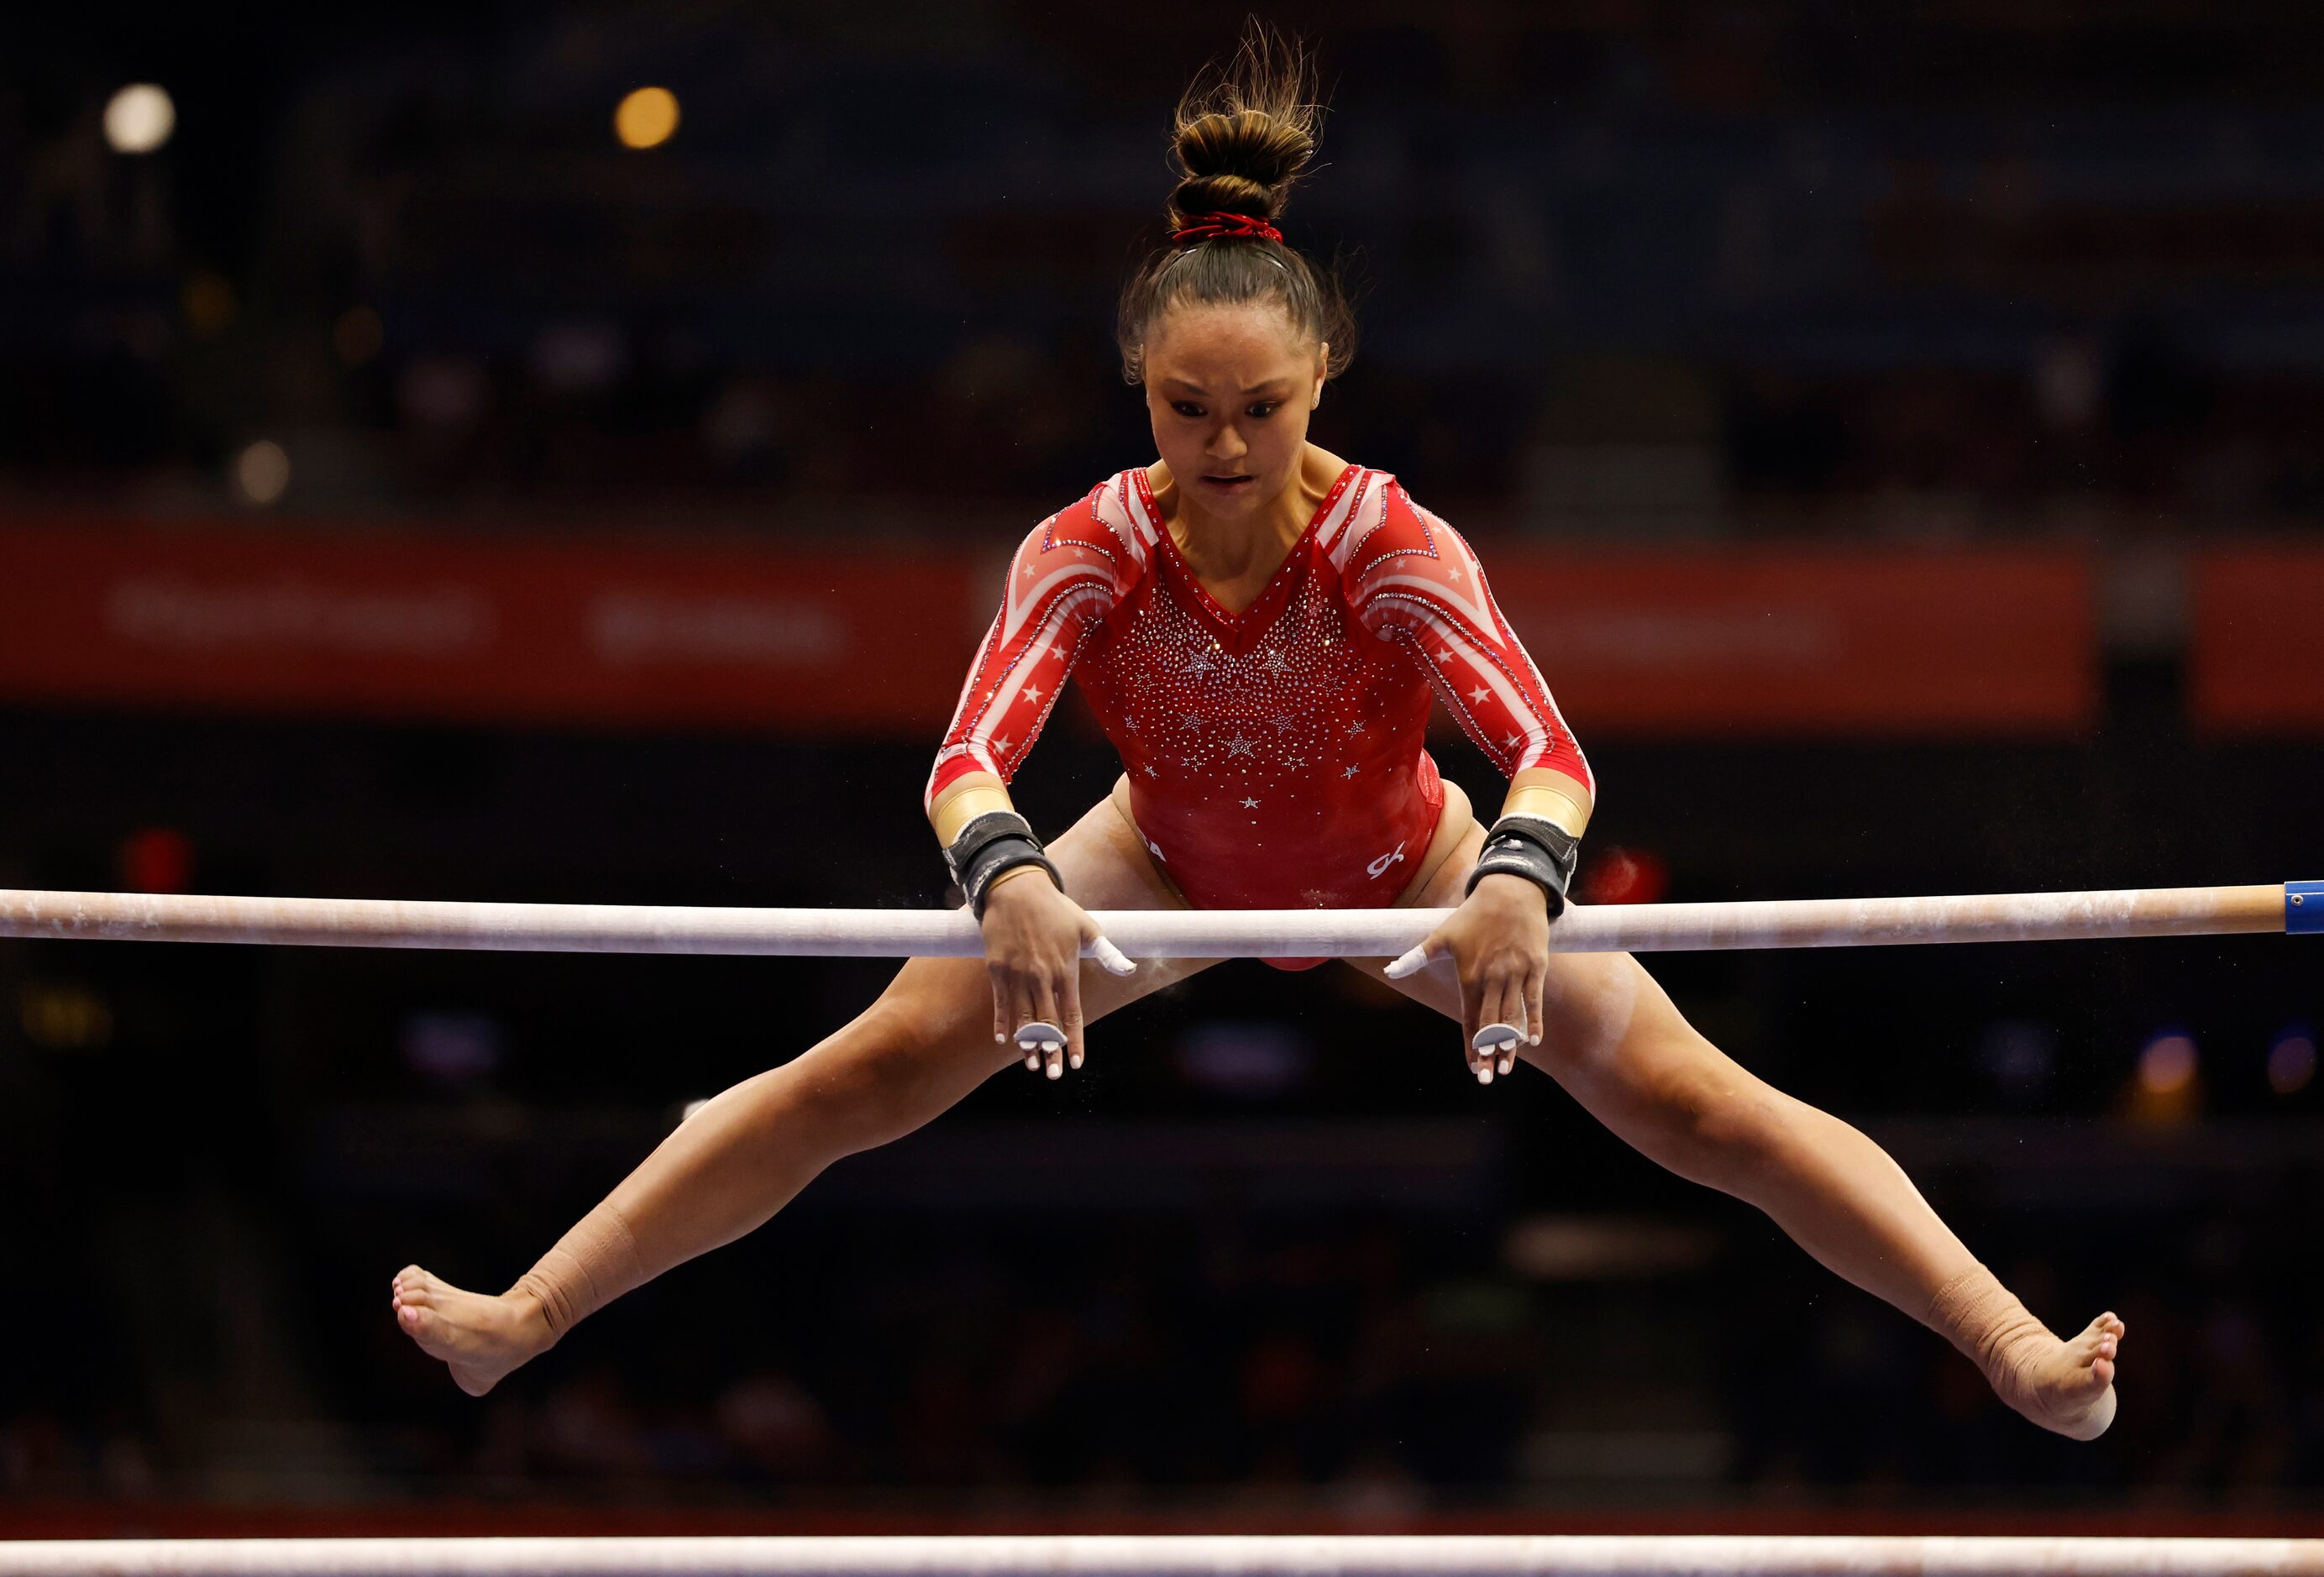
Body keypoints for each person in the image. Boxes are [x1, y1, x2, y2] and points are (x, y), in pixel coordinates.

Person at [392, 29, 2123, 1443]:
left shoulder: (1387, 543)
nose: (1224, 446)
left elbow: (1551, 757)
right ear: (1140, 395)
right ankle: (524, 1316)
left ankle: (2015, 1351)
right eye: (1187, 409)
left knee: (1703, 1109)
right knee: (860, 1074)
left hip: (1412, 869)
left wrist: (1518, 887)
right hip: (1150, 863)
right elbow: (962, 762)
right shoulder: (1088, 549)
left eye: (1261, 410)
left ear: (1323, 392)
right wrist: (1008, 884)